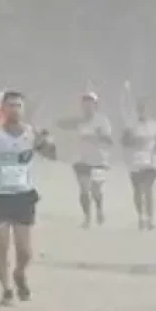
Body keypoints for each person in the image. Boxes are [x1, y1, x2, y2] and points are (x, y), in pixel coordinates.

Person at [0, 91, 56, 306]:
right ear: (3, 109)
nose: (14, 109)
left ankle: (19, 273)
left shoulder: (31, 134)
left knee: (25, 251)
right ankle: (6, 290)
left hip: (23, 195)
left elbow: (52, 155)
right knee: (1, 247)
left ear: (24, 109)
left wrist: (48, 141)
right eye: (10, 105)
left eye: (18, 105)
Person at [59, 92, 115, 228]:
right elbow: (63, 125)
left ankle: (99, 209)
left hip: (99, 160)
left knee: (96, 190)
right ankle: (87, 217)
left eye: (90, 103)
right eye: (85, 103)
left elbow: (109, 141)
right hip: (81, 159)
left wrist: (94, 138)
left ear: (95, 105)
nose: (87, 106)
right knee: (84, 188)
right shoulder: (79, 121)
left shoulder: (102, 121)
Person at [121, 85, 156, 230]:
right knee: (138, 192)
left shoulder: (155, 126)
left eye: (145, 108)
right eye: (141, 108)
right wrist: (130, 138)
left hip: (150, 163)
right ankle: (141, 216)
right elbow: (124, 142)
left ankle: (150, 219)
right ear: (137, 110)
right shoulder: (131, 126)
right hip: (135, 163)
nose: (143, 110)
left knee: (148, 189)